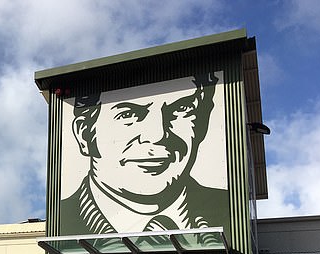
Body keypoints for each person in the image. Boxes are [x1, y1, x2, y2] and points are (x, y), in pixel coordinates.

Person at [61, 73, 227, 239]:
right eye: (129, 114)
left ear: (203, 123)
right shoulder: (63, 222)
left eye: (181, 109)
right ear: (85, 134)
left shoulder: (229, 209)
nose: (157, 135)